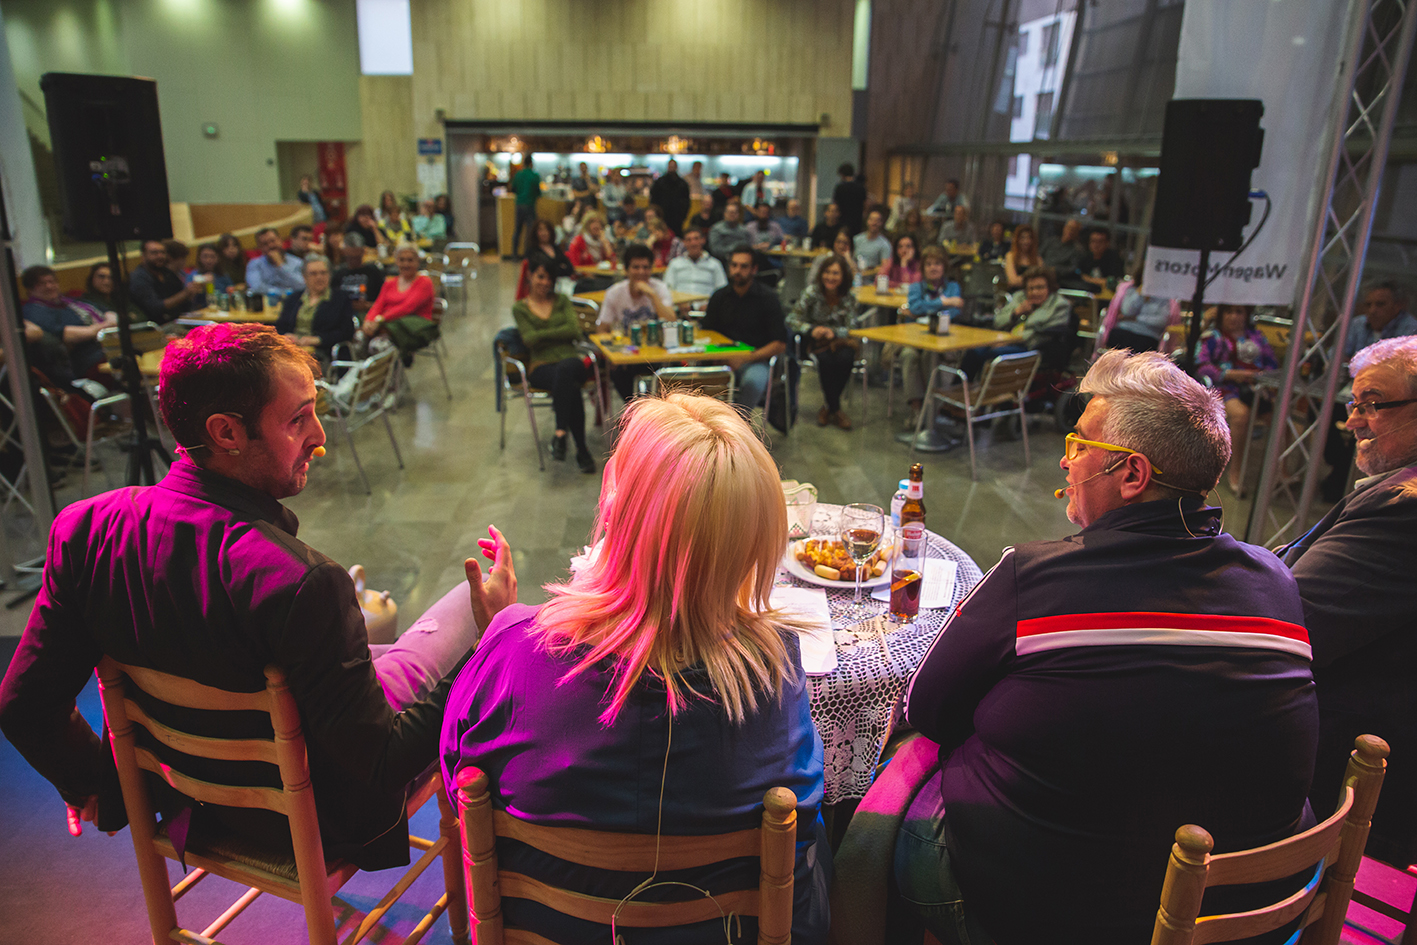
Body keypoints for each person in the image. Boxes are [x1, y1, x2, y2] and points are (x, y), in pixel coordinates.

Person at [0, 322, 518, 871]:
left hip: (185, 806)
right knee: (472, 608)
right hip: (311, 820)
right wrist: (493, 646)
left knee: (380, 649)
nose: (320, 436)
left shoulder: (84, 529)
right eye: (297, 420)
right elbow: (383, 761)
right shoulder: (299, 581)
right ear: (227, 432)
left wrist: (107, 788)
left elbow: (22, 704)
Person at [897, 348, 1318, 945]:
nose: (1066, 461)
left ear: (1131, 475)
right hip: (1252, 919)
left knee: (885, 816)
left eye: (1080, 443)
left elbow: (927, 709)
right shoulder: (1274, 579)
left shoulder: (1036, 576)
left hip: (1056, 917)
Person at [441, 392, 830, 945]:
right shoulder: (776, 671)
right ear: (748, 546)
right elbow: (804, 827)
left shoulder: (513, 647)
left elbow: (459, 774)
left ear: (618, 516)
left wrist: (501, 631)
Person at [1279, 336, 1417, 867]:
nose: (1352, 421)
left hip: (1348, 758)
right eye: (1353, 404)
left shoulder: (1403, 507)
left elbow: (1293, 624)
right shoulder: (1392, 486)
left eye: (1373, 403)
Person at [511, 253, 596, 473]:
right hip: (541, 367)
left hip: (571, 361)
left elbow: (575, 331)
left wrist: (542, 333)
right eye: (540, 277)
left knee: (567, 370)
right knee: (570, 386)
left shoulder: (562, 301)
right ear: (530, 276)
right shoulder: (520, 308)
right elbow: (528, 339)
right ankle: (581, 450)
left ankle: (560, 433)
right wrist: (559, 333)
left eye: (549, 279)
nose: (545, 283)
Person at [1196, 304, 1279, 492]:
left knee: (1280, 416)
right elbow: (1202, 365)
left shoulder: (1258, 338)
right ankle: (1236, 472)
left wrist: (1259, 376)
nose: (1234, 317)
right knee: (1241, 415)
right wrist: (1230, 374)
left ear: (1246, 315)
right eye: (1228, 312)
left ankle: (1281, 472)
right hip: (1224, 387)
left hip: (1256, 388)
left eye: (1238, 312)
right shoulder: (1212, 337)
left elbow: (1273, 364)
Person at [701, 248, 788, 411]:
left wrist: (746, 358)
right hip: (721, 358)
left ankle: (739, 427)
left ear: (754, 269)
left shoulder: (768, 298)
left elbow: (780, 344)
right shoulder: (719, 296)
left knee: (752, 383)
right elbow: (706, 332)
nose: (737, 271)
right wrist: (722, 357)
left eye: (743, 266)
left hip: (755, 359)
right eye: (734, 265)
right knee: (693, 379)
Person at [788, 254, 859, 429]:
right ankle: (836, 409)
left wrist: (832, 332)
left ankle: (828, 407)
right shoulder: (812, 293)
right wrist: (811, 329)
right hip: (814, 343)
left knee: (846, 359)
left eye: (835, 273)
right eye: (827, 272)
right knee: (826, 361)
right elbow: (791, 319)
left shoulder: (848, 298)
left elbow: (852, 327)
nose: (830, 277)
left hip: (839, 342)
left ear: (843, 277)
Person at [897, 248, 963, 422]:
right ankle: (917, 409)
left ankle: (932, 407)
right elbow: (915, 307)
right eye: (929, 264)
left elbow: (954, 312)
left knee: (930, 356)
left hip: (944, 341)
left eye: (937, 264)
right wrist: (943, 302)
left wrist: (927, 307)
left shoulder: (953, 287)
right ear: (923, 267)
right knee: (908, 355)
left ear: (944, 267)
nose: (933, 267)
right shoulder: (915, 287)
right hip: (916, 339)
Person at [21, 266, 116, 379]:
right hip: (87, 359)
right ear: (30, 289)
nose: (49, 286)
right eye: (42, 283)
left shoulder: (70, 300)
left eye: (52, 281)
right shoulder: (33, 310)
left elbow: (109, 313)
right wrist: (106, 326)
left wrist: (108, 323)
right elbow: (65, 334)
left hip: (109, 345)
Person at [275, 254, 355, 361]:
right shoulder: (293, 299)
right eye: (313, 274)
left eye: (323, 273)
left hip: (323, 353)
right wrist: (286, 335)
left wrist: (318, 340)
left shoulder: (341, 299)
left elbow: (346, 331)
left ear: (330, 275)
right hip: (292, 350)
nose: (319, 277)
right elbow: (279, 327)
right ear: (304, 277)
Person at [364, 244, 435, 338]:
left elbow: (407, 307)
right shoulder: (389, 283)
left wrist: (380, 319)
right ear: (396, 262)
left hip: (414, 329)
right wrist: (369, 320)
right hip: (385, 325)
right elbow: (378, 305)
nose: (406, 264)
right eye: (402, 260)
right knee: (360, 336)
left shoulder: (424, 282)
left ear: (417, 262)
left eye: (410, 260)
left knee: (380, 342)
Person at [1343, 281, 1417, 361]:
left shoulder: (1411, 330)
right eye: (1368, 305)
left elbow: (1400, 367)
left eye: (1380, 304)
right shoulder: (1357, 324)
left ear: (1398, 306)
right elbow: (1334, 358)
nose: (1372, 310)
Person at [130, 239, 199, 322]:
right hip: (156, 327)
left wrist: (190, 294)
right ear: (143, 256)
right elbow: (156, 308)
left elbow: (183, 302)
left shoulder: (167, 273)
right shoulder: (139, 278)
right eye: (154, 253)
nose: (160, 256)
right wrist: (185, 293)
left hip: (180, 320)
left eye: (162, 252)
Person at [1107, 272, 1175, 353]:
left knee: (1140, 344)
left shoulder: (1164, 298)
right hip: (1125, 329)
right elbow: (1127, 311)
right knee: (1116, 337)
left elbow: (1161, 321)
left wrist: (1137, 318)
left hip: (1148, 334)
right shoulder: (1131, 289)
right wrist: (1139, 294)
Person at [515, 219, 576, 300]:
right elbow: (540, 271)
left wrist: (556, 269)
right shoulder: (532, 251)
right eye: (540, 230)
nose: (544, 233)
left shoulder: (556, 249)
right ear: (535, 233)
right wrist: (560, 268)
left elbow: (569, 268)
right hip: (543, 287)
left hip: (562, 284)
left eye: (546, 230)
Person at [332, 232, 386, 316]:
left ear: (363, 252)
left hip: (369, 313)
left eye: (357, 257)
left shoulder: (373, 271)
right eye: (350, 257)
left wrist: (368, 306)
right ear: (344, 252)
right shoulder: (338, 273)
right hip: (343, 314)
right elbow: (332, 302)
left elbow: (384, 301)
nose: (354, 261)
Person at [663, 227, 728, 298]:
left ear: (703, 240)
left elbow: (722, 291)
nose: (693, 243)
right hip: (680, 306)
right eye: (689, 240)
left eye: (696, 239)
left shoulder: (715, 264)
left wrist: (709, 305)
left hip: (706, 307)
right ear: (684, 243)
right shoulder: (675, 264)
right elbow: (667, 289)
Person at [245, 227, 306, 296]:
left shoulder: (297, 262)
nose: (271, 246)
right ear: (260, 247)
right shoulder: (254, 264)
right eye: (265, 244)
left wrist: (281, 266)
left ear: (280, 240)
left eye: (273, 241)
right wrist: (283, 293)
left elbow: (302, 285)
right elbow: (256, 288)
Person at [649, 158, 691, 236]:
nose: (671, 168)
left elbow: (687, 202)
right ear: (667, 167)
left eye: (673, 166)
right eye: (670, 166)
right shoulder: (659, 182)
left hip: (677, 220)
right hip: (661, 218)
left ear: (676, 167)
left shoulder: (683, 184)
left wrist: (682, 217)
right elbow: (653, 200)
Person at [1078, 227, 1125, 292]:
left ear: (1107, 243)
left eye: (1100, 242)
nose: (1096, 245)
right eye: (1093, 241)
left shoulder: (1114, 258)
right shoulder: (1084, 257)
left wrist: (1092, 280)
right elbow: (1080, 275)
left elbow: (1116, 279)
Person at [511, 160, 542, 257]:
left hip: (519, 205)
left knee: (517, 230)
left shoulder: (518, 175)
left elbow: (513, 189)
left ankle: (514, 254)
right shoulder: (534, 175)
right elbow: (538, 192)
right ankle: (527, 254)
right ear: (531, 164)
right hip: (530, 205)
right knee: (530, 230)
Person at [1002, 223, 1043, 290]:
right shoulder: (1010, 256)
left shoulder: (1038, 259)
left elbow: (1041, 282)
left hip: (1033, 294)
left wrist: (1021, 279)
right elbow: (1013, 281)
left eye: (1029, 238)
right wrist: (1032, 279)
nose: (1026, 241)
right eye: (1022, 238)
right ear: (1017, 240)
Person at [853, 208, 893, 272]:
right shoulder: (857, 239)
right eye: (871, 220)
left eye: (877, 221)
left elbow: (885, 267)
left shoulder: (885, 244)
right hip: (855, 276)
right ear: (867, 221)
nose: (874, 223)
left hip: (872, 279)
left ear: (881, 223)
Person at [833, 163, 867, 236]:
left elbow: (835, 204)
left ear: (842, 174)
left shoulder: (840, 188)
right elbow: (865, 204)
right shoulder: (861, 187)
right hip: (857, 220)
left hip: (843, 220)